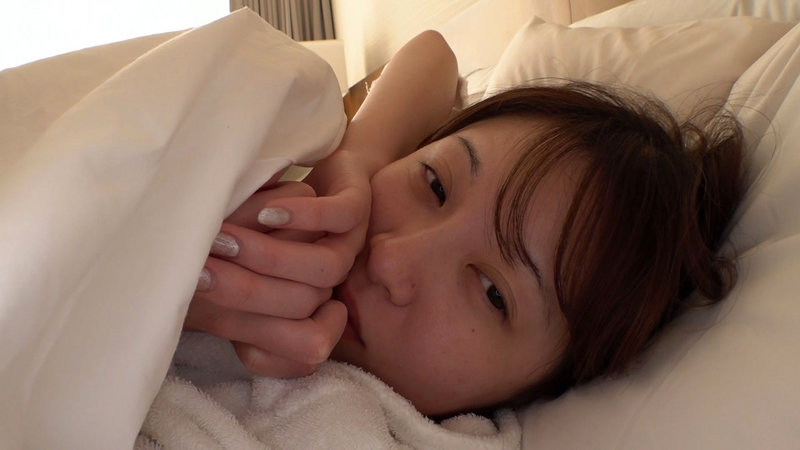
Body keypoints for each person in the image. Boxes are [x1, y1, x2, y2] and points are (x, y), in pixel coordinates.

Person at [184, 30, 744, 417]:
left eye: (492, 292)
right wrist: (357, 153)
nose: (389, 256)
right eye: (434, 184)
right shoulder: (300, 173)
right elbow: (433, 53)